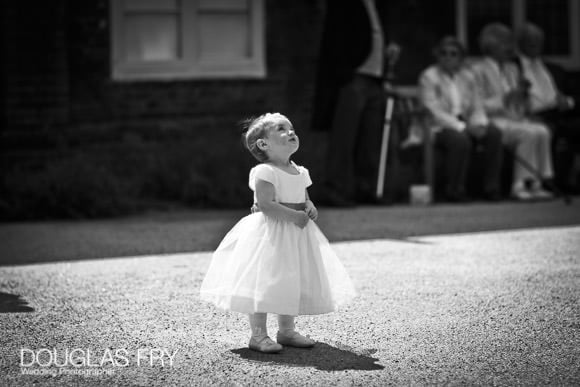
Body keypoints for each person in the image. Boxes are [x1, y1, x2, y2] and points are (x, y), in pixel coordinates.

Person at [199, 113, 356, 354]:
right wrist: (295, 216)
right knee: (263, 280)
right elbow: (266, 204)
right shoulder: (265, 171)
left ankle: (286, 330)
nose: (291, 132)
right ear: (264, 144)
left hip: (296, 233)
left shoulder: (299, 171)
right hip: (271, 234)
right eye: (282, 129)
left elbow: (303, 198)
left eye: (292, 128)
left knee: (290, 278)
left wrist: (309, 207)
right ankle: (258, 335)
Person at [311, 0, 398, 205]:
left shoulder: (378, 5)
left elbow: (377, 34)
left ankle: (365, 188)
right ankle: (336, 189)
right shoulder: (345, 4)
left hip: (376, 77)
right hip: (354, 77)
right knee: (344, 137)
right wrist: (344, 74)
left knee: (371, 138)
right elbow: (335, 38)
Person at [470, 23, 554, 200]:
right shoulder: (477, 70)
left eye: (510, 43)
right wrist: (506, 98)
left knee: (542, 130)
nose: (510, 48)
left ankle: (538, 183)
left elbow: (520, 102)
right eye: (505, 43)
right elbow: (477, 104)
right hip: (492, 120)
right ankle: (520, 185)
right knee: (527, 134)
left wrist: (522, 97)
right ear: (491, 46)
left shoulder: (512, 69)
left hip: (513, 117)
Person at [418, 36, 503, 201]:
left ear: (461, 58)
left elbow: (477, 105)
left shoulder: (468, 77)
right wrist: (462, 126)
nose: (448, 57)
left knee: (494, 134)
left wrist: (480, 124)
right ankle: (454, 190)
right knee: (460, 139)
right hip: (439, 126)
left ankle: (491, 188)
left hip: (466, 123)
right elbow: (432, 110)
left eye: (453, 54)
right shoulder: (429, 76)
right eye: (443, 53)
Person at [516, 23, 580, 193]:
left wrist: (568, 101)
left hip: (559, 112)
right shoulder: (513, 67)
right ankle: (547, 182)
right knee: (545, 129)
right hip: (533, 115)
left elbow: (573, 94)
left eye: (538, 41)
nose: (535, 44)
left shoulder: (554, 69)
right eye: (530, 41)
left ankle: (570, 181)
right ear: (520, 43)